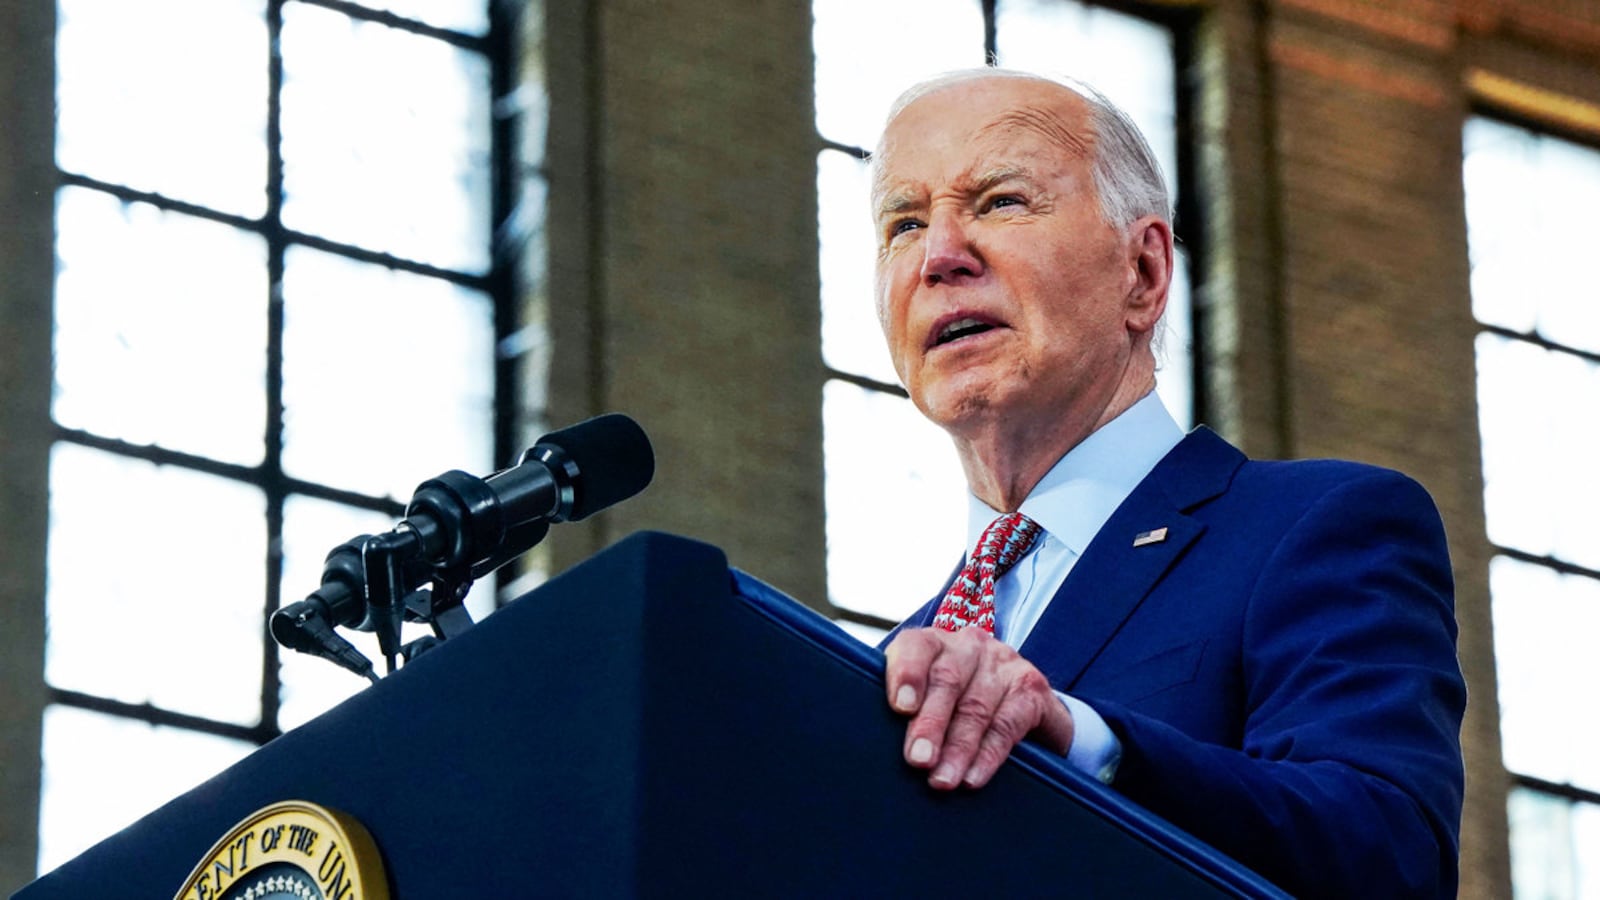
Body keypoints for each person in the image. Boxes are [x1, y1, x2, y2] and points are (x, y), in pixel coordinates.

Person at [871, 69, 1466, 899]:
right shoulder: (881, 670)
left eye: (1001, 202)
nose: (938, 256)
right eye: (903, 223)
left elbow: (1383, 851)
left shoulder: (1316, 527)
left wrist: (1086, 742)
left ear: (1143, 273)